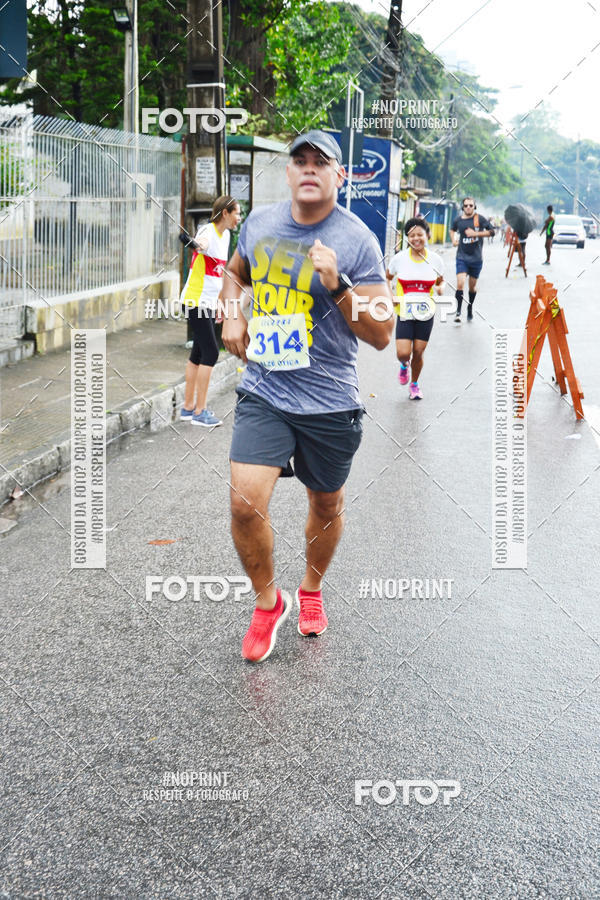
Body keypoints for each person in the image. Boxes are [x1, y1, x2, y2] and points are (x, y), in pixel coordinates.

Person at [220, 129, 393, 663]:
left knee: (326, 503)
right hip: (266, 387)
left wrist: (338, 285)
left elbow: (383, 333)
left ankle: (312, 588)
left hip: (331, 401)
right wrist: (230, 311)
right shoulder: (259, 224)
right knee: (244, 503)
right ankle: (269, 603)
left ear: (340, 175)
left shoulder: (359, 239)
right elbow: (233, 272)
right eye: (301, 160)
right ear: (289, 172)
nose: (310, 168)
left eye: (323, 162)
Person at [179, 196, 242, 426]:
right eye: (237, 213)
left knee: (198, 354)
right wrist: (193, 244)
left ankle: (188, 408)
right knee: (211, 353)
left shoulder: (225, 236)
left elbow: (217, 274)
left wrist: (219, 304)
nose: (239, 218)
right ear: (225, 213)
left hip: (207, 302)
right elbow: (202, 244)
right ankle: (200, 411)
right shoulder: (208, 230)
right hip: (196, 301)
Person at [386, 217, 444, 400]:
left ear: (427, 235)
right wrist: (390, 295)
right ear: (407, 238)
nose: (416, 238)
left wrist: (440, 289)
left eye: (420, 234)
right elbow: (386, 278)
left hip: (426, 313)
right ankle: (404, 365)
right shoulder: (399, 259)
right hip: (405, 312)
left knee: (418, 351)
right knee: (404, 353)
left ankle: (415, 385)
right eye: (412, 235)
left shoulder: (435, 260)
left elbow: (440, 283)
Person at [450, 198, 495, 322]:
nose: (468, 207)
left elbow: (492, 232)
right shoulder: (458, 220)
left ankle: (470, 306)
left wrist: (476, 234)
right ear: (462, 207)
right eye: (466, 205)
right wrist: (453, 240)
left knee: (472, 287)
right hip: (462, 257)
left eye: (471, 205)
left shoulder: (479, 219)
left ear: (475, 207)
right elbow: (452, 229)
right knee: (460, 283)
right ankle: (458, 312)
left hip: (476, 259)